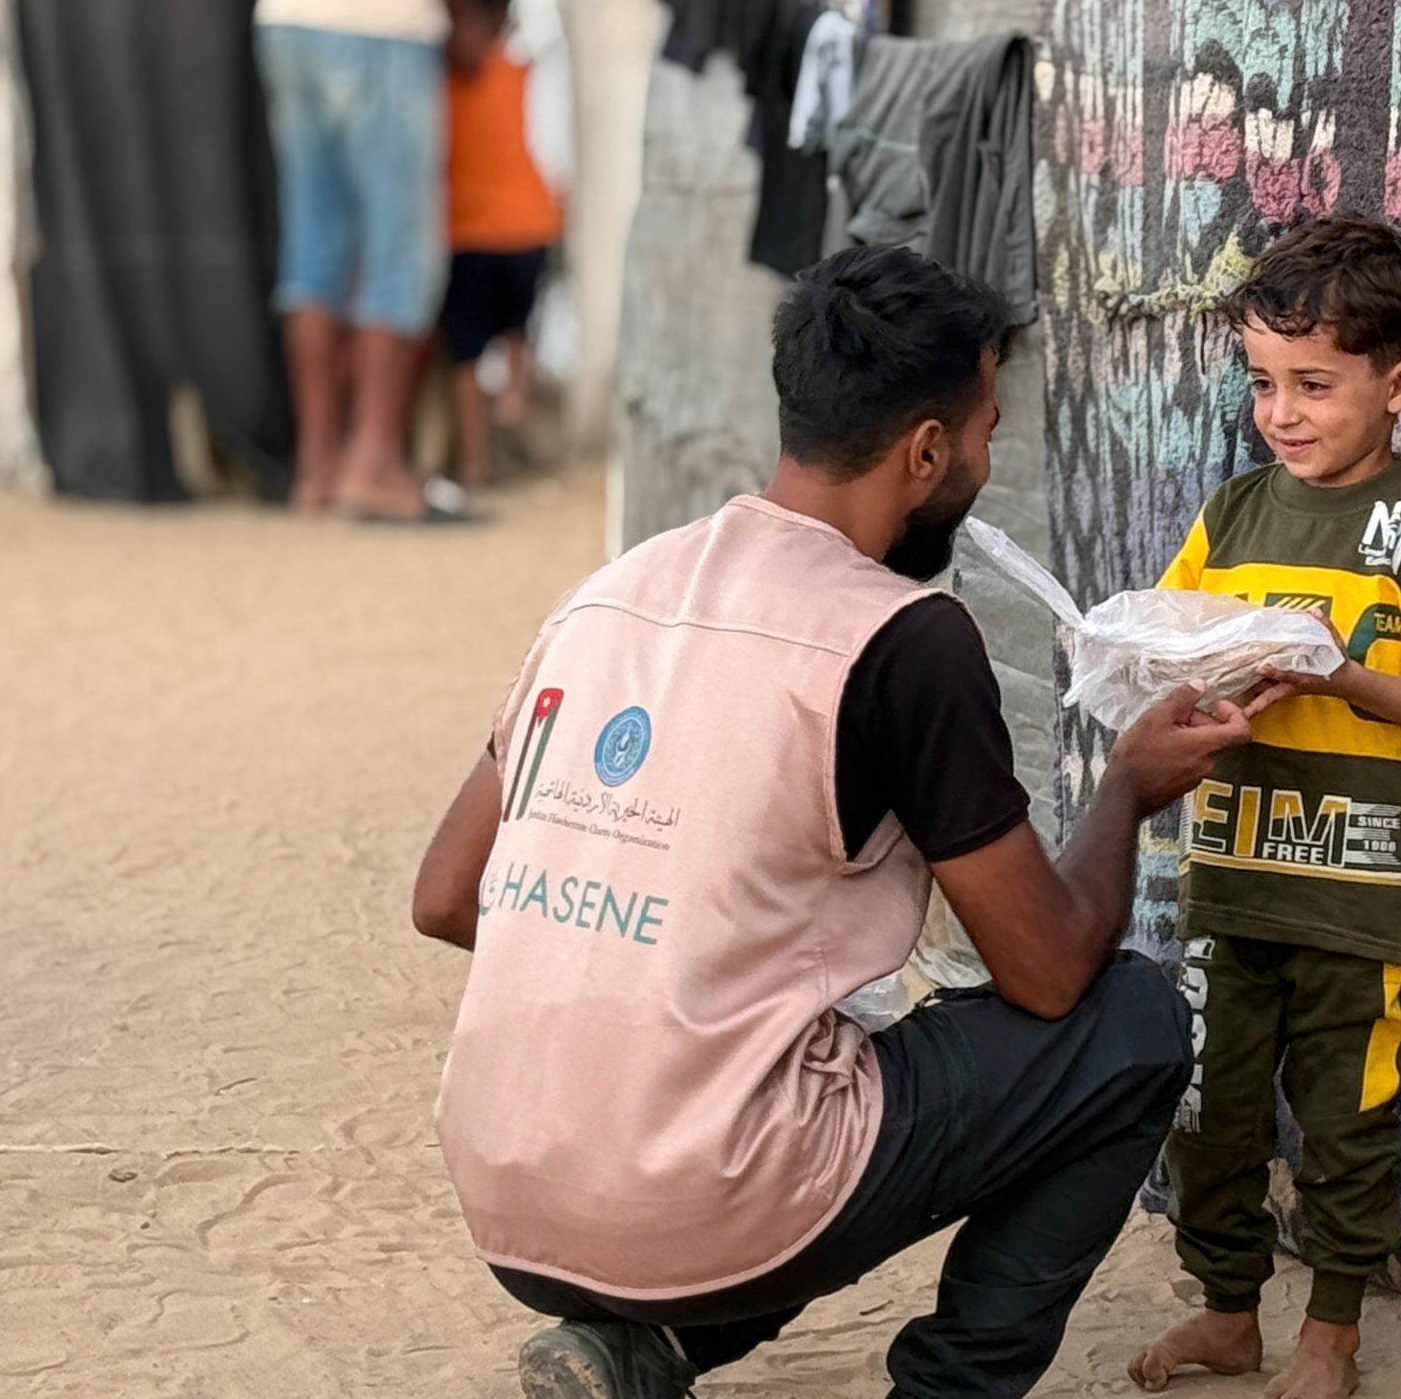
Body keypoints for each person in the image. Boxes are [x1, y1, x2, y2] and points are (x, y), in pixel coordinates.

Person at [410, 244, 1265, 1399]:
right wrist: (1124, 789)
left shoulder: (611, 589)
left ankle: (639, 1349)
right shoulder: (902, 637)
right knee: (1132, 1024)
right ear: (925, 450)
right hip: (699, 1196)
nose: (981, 459)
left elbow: (448, 896)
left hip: (508, 1191)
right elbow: (1050, 973)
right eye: (984, 433)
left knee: (793, 1059)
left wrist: (661, 971)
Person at [1128, 215, 1401, 1399]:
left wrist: (1334, 671)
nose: (1281, 413)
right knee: (1213, 1111)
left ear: (1398, 385)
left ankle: (1331, 1334)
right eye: (1261, 384)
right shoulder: (1235, 515)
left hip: (1358, 887)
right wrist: (1154, 661)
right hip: (1235, 871)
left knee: (1346, 1124)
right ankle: (1229, 1313)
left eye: (1313, 385)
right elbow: (1172, 638)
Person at [251, 0, 478, 520]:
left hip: (288, 12)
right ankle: (373, 461)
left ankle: (318, 466)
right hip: (382, 19)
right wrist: (465, 11)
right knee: (401, 251)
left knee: (314, 246)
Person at [438, 0, 562, 489]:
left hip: (467, 232)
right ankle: (513, 406)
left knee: (465, 354)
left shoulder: (441, 80)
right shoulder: (521, 73)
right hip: (528, 227)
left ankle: (475, 463)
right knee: (516, 333)